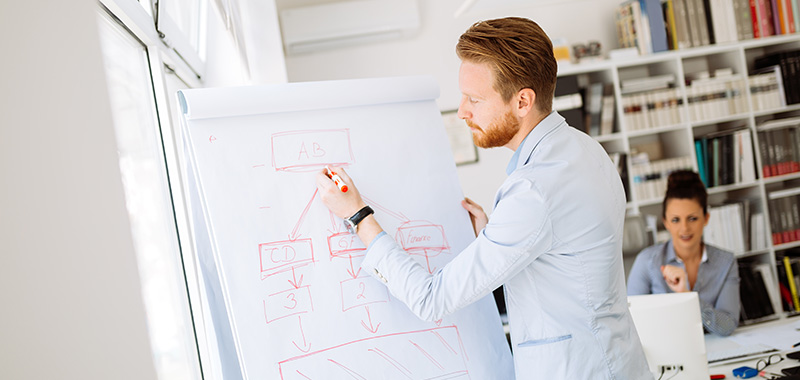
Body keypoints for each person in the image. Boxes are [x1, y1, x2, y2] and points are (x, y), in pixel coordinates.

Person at [316, 17, 651, 378]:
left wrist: (359, 216)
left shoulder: (534, 191)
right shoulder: (586, 150)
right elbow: (566, 265)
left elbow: (431, 299)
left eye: (475, 99)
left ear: (523, 101)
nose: (462, 111)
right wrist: (494, 236)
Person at [627, 170, 740, 336]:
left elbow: (727, 326)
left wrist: (687, 296)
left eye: (692, 218)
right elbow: (632, 323)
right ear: (665, 222)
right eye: (675, 220)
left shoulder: (726, 262)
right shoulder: (647, 262)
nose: (685, 228)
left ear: (706, 218)